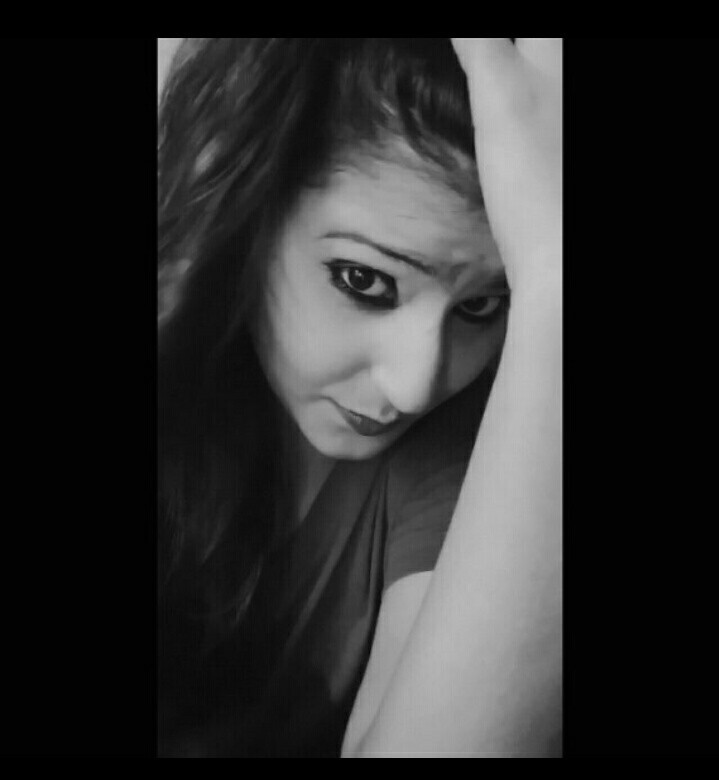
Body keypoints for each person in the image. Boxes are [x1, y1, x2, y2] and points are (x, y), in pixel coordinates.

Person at [157, 38, 562, 758]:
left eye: (482, 306)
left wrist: (556, 275)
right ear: (248, 207)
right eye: (364, 281)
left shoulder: (469, 454)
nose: (416, 384)